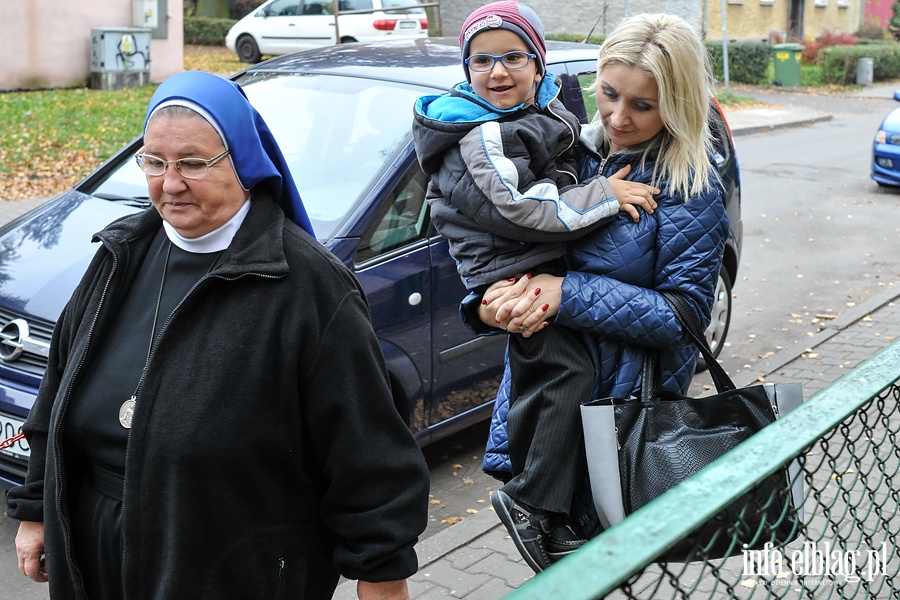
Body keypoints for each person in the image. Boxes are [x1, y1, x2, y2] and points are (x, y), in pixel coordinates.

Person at [6, 70, 430, 600]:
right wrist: (35, 510)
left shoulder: (308, 287)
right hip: (97, 548)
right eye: (155, 162)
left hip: (232, 563)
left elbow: (366, 451)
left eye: (192, 163)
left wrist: (382, 578)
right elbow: (56, 393)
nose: (171, 182)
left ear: (244, 163)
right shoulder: (121, 254)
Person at [467, 13, 731, 572]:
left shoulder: (691, 184)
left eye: (642, 105)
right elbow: (511, 247)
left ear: (677, 105)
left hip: (623, 417)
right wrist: (492, 304)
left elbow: (685, 316)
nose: (617, 117)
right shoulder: (573, 151)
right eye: (609, 94)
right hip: (541, 411)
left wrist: (566, 293)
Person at [412, 1, 658, 571]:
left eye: (513, 57)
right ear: (466, 68)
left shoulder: (538, 110)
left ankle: (549, 508)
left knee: (554, 373)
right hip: (511, 270)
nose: (497, 71)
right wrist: (605, 196)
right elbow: (520, 207)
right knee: (563, 371)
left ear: (538, 62)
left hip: (528, 267)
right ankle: (529, 501)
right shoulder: (478, 131)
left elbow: (561, 167)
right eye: (482, 60)